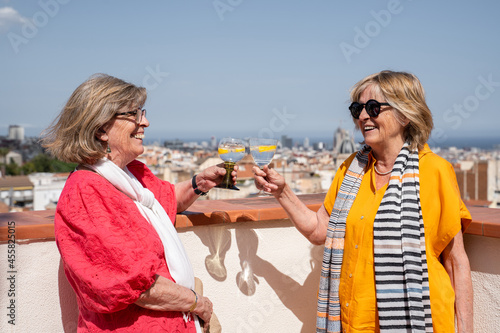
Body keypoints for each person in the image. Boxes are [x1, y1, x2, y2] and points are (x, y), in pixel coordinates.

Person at [253, 70, 473, 332]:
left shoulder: (435, 171)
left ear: (405, 114)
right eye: (357, 108)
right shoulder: (351, 170)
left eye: (373, 107)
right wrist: (282, 192)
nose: (363, 116)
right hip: (355, 322)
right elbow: (318, 229)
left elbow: (455, 261)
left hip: (418, 322)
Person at [41, 73, 233, 332]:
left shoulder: (132, 174)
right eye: (134, 114)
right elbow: (134, 285)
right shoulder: (87, 193)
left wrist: (199, 183)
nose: (145, 122)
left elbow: (165, 200)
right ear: (101, 129)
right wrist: (197, 303)